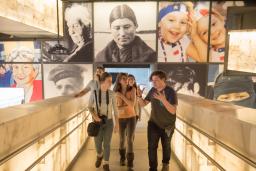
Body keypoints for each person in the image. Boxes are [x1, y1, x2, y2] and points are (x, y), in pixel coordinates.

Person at [137, 71, 178, 171]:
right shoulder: (153, 90)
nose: (153, 83)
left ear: (163, 79)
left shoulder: (170, 92)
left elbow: (173, 111)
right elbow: (143, 104)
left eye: (156, 80)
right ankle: (153, 168)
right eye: (152, 81)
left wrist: (163, 100)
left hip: (168, 125)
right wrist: (139, 96)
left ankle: (165, 165)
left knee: (166, 146)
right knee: (151, 147)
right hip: (154, 123)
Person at [88, 72, 119, 171]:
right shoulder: (94, 93)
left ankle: (106, 163)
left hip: (109, 122)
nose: (110, 83)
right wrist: (95, 116)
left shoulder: (112, 94)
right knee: (97, 143)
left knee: (107, 143)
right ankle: (99, 155)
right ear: (102, 81)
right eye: (108, 81)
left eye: (111, 81)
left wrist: (117, 124)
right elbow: (89, 107)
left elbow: (115, 110)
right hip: (97, 122)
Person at [113, 73, 137, 170]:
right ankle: (122, 158)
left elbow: (131, 104)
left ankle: (130, 163)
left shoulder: (133, 90)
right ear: (119, 80)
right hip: (120, 118)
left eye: (127, 78)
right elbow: (115, 109)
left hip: (131, 117)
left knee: (129, 140)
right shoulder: (115, 92)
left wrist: (121, 96)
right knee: (122, 140)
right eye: (123, 78)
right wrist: (116, 124)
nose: (126, 80)